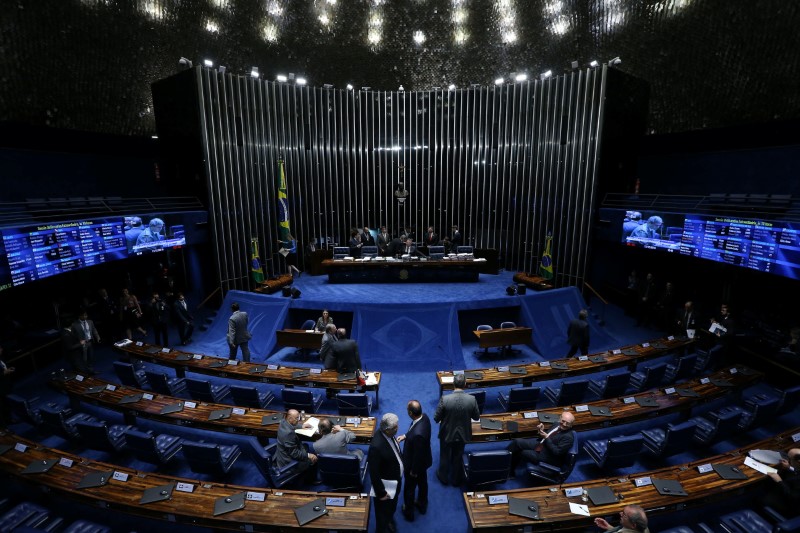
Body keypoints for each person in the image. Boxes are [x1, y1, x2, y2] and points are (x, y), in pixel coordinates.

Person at [434, 373, 480, 486]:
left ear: (453, 384)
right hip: (463, 433)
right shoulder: (472, 399)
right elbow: (476, 417)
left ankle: (443, 476)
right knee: (458, 455)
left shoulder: (445, 399)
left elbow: (436, 418)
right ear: (465, 384)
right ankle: (456, 480)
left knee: (444, 455)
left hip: (446, 433)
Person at [368, 413, 404, 533]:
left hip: (395, 482)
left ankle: (389, 519)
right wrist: (381, 493)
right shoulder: (376, 446)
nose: (397, 428)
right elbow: (374, 473)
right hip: (385, 487)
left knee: (392, 506)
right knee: (382, 512)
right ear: (387, 430)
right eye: (395, 427)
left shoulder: (389, 435)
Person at [397, 400, 432, 522]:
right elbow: (414, 429)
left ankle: (409, 512)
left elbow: (417, 454)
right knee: (423, 484)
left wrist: (414, 471)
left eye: (407, 410)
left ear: (411, 413)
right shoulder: (425, 418)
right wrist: (406, 435)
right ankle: (422, 505)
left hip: (414, 466)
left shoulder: (418, 435)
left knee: (409, 489)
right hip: (424, 462)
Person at [507, 412, 575, 473]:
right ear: (560, 418)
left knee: (521, 452)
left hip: (548, 457)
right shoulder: (556, 424)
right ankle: (502, 459)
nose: (564, 424)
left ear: (571, 425)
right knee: (517, 442)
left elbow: (556, 452)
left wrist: (546, 438)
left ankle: (509, 471)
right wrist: (541, 431)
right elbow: (547, 436)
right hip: (542, 445)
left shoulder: (568, 437)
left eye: (568, 423)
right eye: (563, 421)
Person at [275, 409, 318, 480]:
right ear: (290, 418)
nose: (298, 420)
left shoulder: (283, 421)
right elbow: (294, 454)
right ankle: (311, 480)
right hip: (288, 462)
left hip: (282, 455)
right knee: (314, 459)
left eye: (299, 417)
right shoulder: (288, 434)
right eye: (297, 418)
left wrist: (301, 426)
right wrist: (308, 455)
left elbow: (291, 425)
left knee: (306, 446)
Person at [761, 448, 800, 516]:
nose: (787, 460)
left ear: (798, 461)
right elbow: (796, 471)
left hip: (791, 505)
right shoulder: (797, 465)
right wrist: (789, 467)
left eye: (789, 458)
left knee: (763, 497)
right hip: (791, 488)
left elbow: (792, 496)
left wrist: (779, 480)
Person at [0, 345, 15, 426]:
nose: (1, 349)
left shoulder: (1, 358)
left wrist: (9, 369)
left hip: (6, 385)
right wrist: (4, 373)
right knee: (2, 406)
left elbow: (4, 366)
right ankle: (4, 424)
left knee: (7, 404)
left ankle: (9, 419)